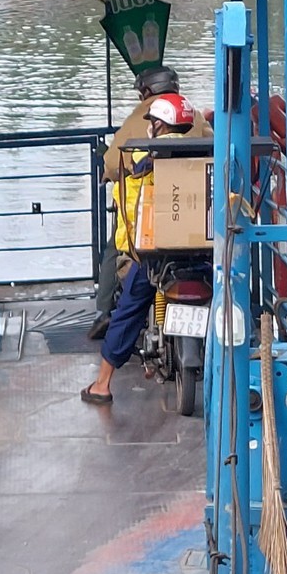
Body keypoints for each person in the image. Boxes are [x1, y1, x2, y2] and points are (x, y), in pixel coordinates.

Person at [83, 93, 197, 405]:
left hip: (155, 252)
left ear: (159, 123)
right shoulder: (203, 148)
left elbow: (122, 174)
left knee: (128, 311)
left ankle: (102, 384)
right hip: (201, 248)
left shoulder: (144, 154)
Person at [91, 67, 211, 337]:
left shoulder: (142, 117)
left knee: (115, 249)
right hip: (191, 211)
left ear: (147, 92)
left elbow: (111, 163)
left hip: (147, 213)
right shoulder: (193, 114)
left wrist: (112, 173)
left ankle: (102, 312)